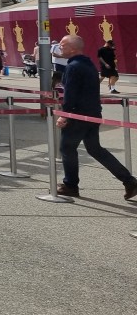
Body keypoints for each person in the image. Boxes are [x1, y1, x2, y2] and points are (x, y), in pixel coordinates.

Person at [54, 34, 137, 201]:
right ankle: (129, 181)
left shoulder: (73, 67)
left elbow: (70, 94)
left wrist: (64, 115)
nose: (59, 47)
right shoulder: (88, 64)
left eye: (63, 44)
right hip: (92, 114)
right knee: (95, 149)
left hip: (78, 115)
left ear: (73, 48)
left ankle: (70, 185)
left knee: (67, 148)